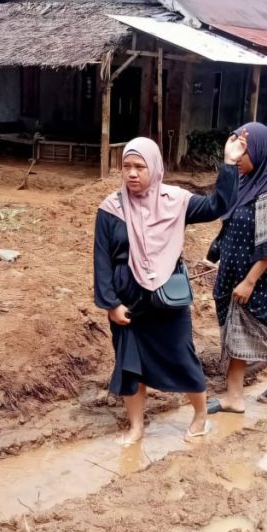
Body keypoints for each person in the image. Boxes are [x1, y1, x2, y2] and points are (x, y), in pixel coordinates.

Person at [94, 135, 246, 444]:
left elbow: (219, 205)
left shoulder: (176, 201)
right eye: (127, 167)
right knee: (130, 364)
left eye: (140, 166)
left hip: (167, 299)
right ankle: (136, 427)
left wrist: (230, 164)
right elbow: (101, 260)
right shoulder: (111, 208)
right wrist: (110, 303)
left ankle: (201, 416)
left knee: (181, 355)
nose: (133, 173)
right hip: (128, 302)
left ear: (155, 167)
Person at [206, 123, 267, 415]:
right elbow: (226, 215)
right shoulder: (245, 184)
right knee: (236, 336)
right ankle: (234, 398)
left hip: (254, 280)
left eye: (242, 157)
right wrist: (216, 251)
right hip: (232, 273)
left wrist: (249, 281)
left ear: (259, 152)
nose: (239, 163)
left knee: (256, 333)